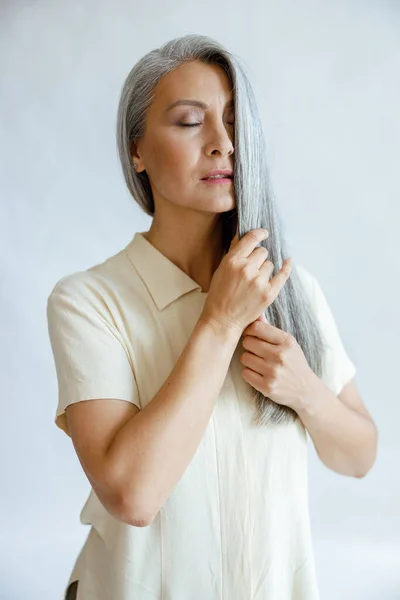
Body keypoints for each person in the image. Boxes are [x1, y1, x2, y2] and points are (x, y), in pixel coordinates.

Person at [47, 34, 363, 600]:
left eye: (235, 123)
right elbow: (133, 496)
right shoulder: (88, 301)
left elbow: (359, 454)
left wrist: (306, 392)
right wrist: (218, 324)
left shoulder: (290, 290)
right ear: (136, 150)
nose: (223, 145)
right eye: (191, 122)